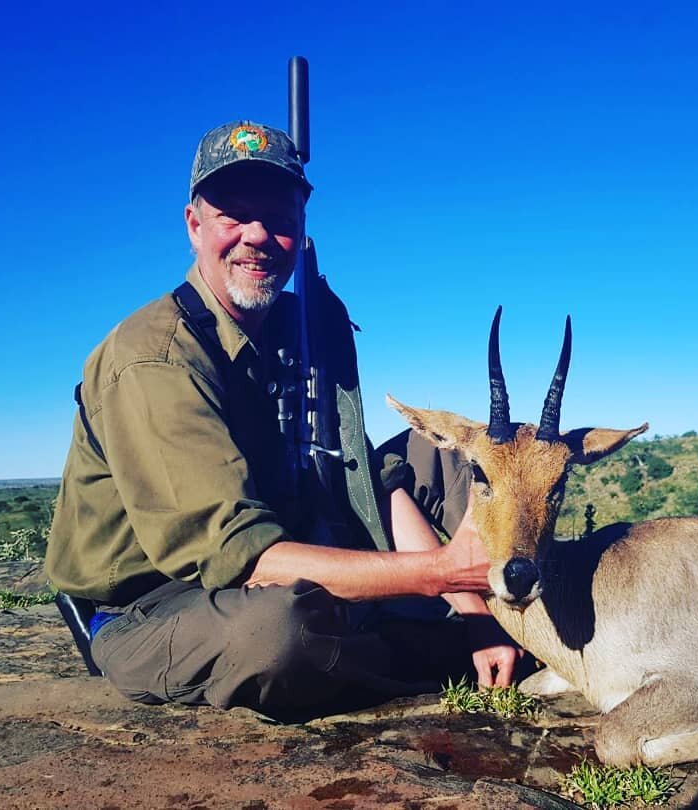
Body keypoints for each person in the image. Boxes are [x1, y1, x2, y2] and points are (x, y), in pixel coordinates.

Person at [46, 121, 520, 716]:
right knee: (277, 632)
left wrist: (469, 601)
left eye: (279, 220)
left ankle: (474, 625)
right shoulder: (153, 358)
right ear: (194, 226)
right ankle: (420, 645)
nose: (258, 237)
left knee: (462, 458)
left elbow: (364, 473)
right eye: (233, 216)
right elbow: (237, 556)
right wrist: (440, 573)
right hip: (158, 603)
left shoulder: (300, 323)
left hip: (286, 538)